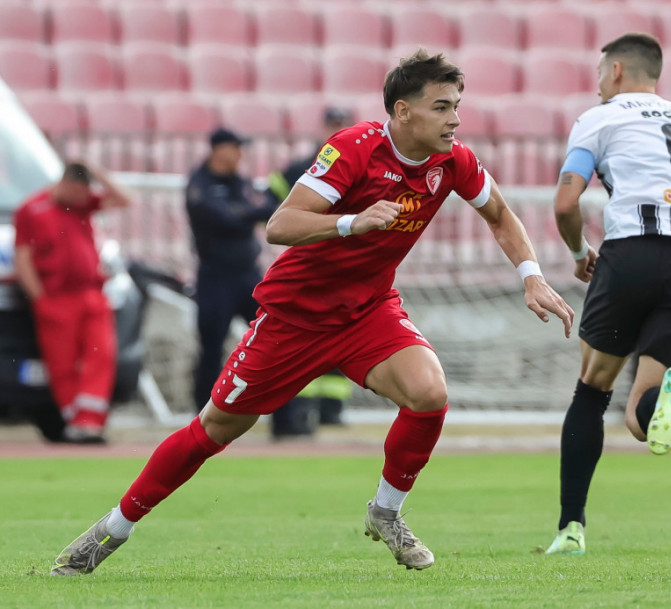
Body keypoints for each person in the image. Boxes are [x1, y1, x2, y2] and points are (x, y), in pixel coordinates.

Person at [51, 48, 575, 575]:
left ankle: (386, 513)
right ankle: (112, 528)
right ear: (403, 111)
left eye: (457, 106)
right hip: (295, 317)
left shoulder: (453, 160)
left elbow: (500, 214)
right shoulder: (353, 148)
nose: (455, 119)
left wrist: (531, 276)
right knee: (214, 430)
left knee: (429, 394)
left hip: (368, 311)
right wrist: (352, 221)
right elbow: (281, 224)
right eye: (441, 107)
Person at [545, 33, 671, 555]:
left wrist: (579, 253)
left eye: (599, 72)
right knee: (643, 422)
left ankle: (571, 529)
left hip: (633, 251)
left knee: (593, 389)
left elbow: (566, 203)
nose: (597, 83)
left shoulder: (601, 118)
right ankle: (667, 397)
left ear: (615, 71)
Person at [13, 162, 131, 443]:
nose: (83, 198)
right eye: (78, 192)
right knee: (62, 363)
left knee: (101, 355)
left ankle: (89, 423)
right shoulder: (31, 209)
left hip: (91, 294)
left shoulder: (82, 203)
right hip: (57, 298)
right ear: (64, 184)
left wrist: (96, 171)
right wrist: (39, 298)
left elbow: (124, 199)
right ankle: (75, 423)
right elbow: (23, 257)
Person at [266, 107, 356, 437]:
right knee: (306, 336)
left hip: (344, 267)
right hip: (310, 264)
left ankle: (332, 409)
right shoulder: (303, 166)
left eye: (341, 123)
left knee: (339, 336)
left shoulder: (358, 164)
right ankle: (301, 412)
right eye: (333, 123)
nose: (337, 128)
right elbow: (269, 203)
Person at [186, 127, 277, 413]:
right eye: (235, 147)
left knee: (275, 337)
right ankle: (202, 416)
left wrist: (243, 212)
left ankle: (285, 419)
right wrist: (248, 212)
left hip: (248, 275)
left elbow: (267, 208)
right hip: (215, 278)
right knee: (212, 348)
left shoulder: (241, 181)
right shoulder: (199, 184)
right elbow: (223, 217)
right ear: (219, 150)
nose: (240, 154)